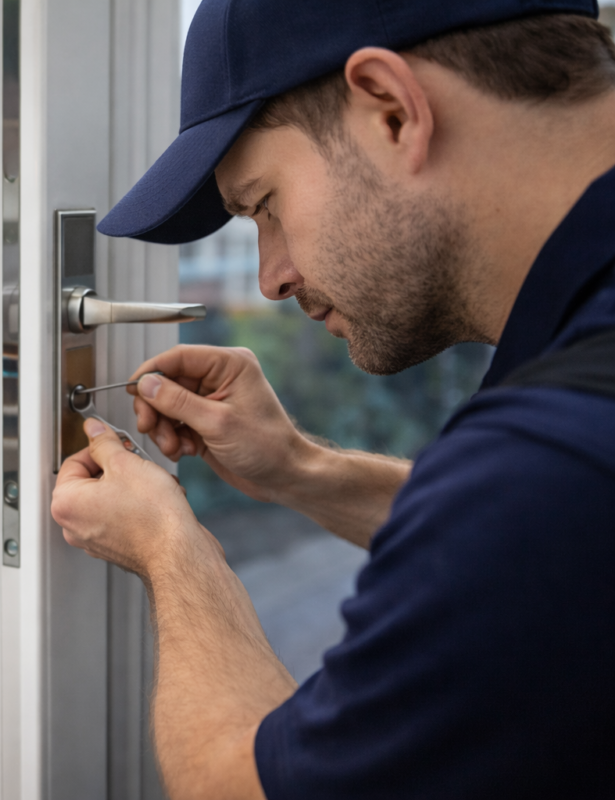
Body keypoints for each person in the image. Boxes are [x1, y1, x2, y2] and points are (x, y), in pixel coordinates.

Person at [49, 1, 615, 798]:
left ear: (390, 110)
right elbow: (534, 552)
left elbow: (234, 788)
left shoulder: (551, 461)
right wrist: (299, 469)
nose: (270, 277)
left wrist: (172, 550)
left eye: (265, 206)